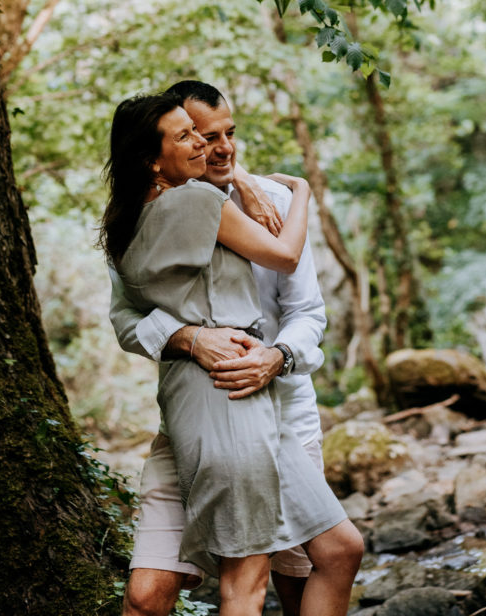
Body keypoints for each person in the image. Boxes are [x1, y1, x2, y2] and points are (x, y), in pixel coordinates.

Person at [101, 91, 363, 616]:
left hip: (279, 400)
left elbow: (308, 311)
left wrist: (278, 356)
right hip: (217, 402)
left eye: (226, 134)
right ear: (157, 156)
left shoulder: (136, 210)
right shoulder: (182, 202)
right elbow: (127, 319)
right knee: (238, 579)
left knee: (330, 554)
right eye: (197, 134)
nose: (214, 146)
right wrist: (190, 337)